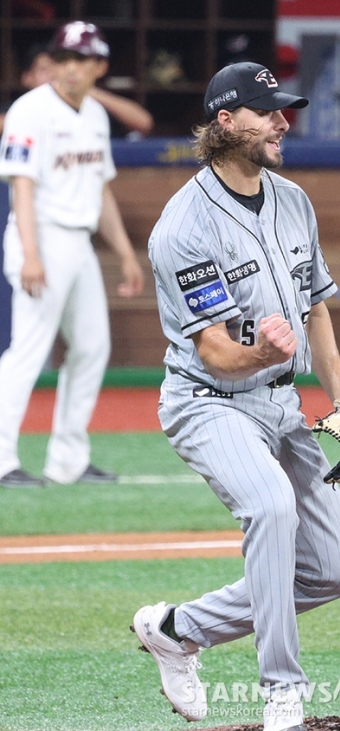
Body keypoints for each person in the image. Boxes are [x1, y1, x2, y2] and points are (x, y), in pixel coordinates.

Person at [132, 62, 340, 731]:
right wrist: (262, 351)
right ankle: (282, 691)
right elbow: (217, 354)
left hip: (280, 405)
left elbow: (316, 308)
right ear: (224, 122)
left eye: (282, 109)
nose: (281, 120)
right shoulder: (183, 227)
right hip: (208, 400)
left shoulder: (294, 200)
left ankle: (177, 628)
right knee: (269, 505)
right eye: (265, 111)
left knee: (332, 573)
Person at [0, 21, 144, 488]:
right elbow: (22, 186)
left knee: (91, 347)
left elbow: (101, 191)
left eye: (81, 59)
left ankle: (68, 460)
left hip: (78, 240)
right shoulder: (30, 109)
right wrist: (31, 253)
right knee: (28, 350)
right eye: (63, 58)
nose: (70, 68)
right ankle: (2, 459)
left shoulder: (95, 115)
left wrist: (123, 252)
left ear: (99, 66)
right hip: (39, 232)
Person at [0, 41, 154, 138]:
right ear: (27, 77)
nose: (54, 76)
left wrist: (86, 90)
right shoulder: (20, 108)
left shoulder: (89, 109)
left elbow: (143, 123)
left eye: (58, 68)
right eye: (45, 69)